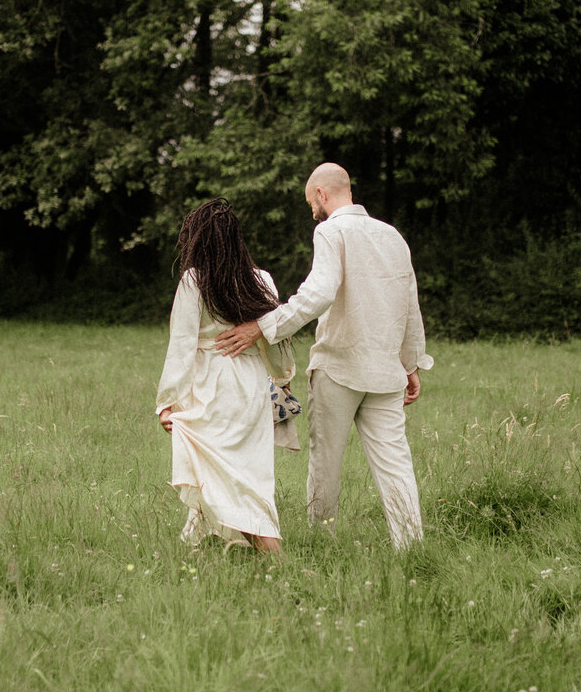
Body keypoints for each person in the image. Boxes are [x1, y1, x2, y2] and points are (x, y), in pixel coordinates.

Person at [216, 163, 433, 549]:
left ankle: (321, 543)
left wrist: (261, 328)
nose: (311, 211)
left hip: (338, 368)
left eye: (309, 202)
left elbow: (318, 294)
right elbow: (408, 302)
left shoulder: (331, 230)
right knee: (395, 463)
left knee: (326, 464)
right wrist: (411, 362)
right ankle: (411, 549)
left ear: (321, 194)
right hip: (386, 370)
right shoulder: (393, 236)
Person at [155, 198, 287, 554]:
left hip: (210, 384)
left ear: (198, 239)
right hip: (252, 385)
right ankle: (204, 545)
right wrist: (281, 381)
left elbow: (181, 347)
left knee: (218, 473)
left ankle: (273, 554)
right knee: (248, 474)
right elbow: (274, 341)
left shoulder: (194, 280)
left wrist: (167, 402)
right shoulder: (262, 280)